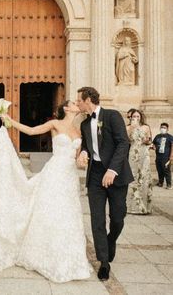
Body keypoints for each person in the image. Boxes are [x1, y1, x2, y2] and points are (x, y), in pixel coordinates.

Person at [0, 100, 93, 283]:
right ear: (66, 108)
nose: (77, 104)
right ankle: (44, 255)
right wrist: (10, 121)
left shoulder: (79, 130)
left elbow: (79, 156)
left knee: (68, 215)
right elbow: (32, 131)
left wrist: (83, 159)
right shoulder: (55, 124)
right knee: (49, 213)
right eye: (74, 102)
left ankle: (69, 259)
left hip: (69, 177)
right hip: (54, 173)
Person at [76, 87, 133, 281]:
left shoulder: (112, 116)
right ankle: (104, 262)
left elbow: (123, 143)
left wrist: (112, 170)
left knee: (118, 216)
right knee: (97, 219)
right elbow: (87, 144)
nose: (77, 104)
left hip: (115, 174)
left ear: (88, 100)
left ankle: (111, 241)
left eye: (79, 101)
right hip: (95, 175)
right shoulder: (84, 124)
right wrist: (84, 152)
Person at [126, 109, 152, 214]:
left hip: (144, 153)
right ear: (131, 117)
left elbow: (150, 140)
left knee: (145, 177)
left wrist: (147, 141)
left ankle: (144, 207)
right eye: (134, 116)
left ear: (141, 117)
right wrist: (132, 128)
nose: (136, 118)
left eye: (138, 116)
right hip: (133, 153)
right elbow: (127, 140)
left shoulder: (146, 127)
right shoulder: (128, 127)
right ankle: (133, 206)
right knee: (133, 177)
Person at [152, 123, 173, 189]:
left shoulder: (170, 137)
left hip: (166, 157)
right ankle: (160, 182)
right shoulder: (157, 136)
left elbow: (172, 146)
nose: (162, 129)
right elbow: (153, 143)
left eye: (164, 128)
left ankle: (169, 184)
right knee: (159, 170)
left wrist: (171, 156)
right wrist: (153, 146)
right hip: (158, 156)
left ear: (167, 129)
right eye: (161, 127)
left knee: (166, 171)